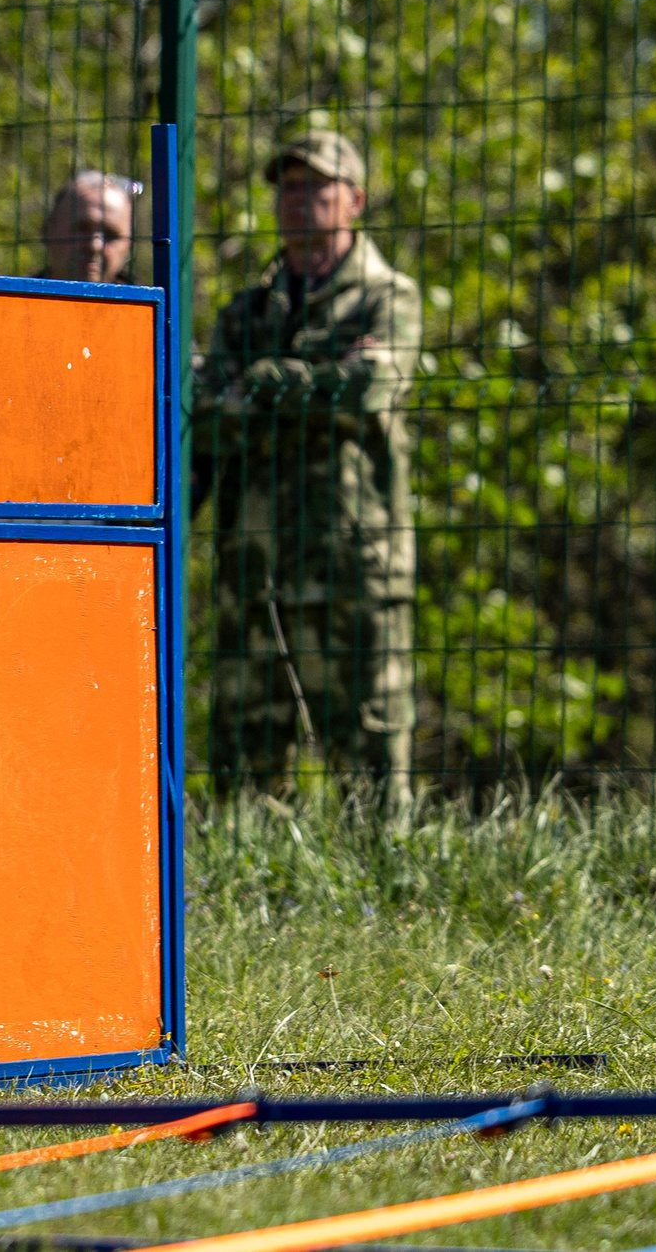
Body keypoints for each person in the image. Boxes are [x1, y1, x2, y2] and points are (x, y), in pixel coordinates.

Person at [193, 128, 422, 806]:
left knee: (372, 746)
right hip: (252, 563)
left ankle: (388, 884)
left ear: (354, 198)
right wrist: (320, 379)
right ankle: (248, 885)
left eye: (316, 185)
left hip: (351, 559)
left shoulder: (388, 297)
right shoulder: (247, 310)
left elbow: (373, 390)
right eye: (288, 186)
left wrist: (257, 384)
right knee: (243, 753)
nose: (298, 200)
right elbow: (201, 415)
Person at [38, 170, 136, 283]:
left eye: (110, 235)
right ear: (46, 232)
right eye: (82, 229)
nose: (95, 246)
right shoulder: (16, 298)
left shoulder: (152, 300)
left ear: (129, 243)